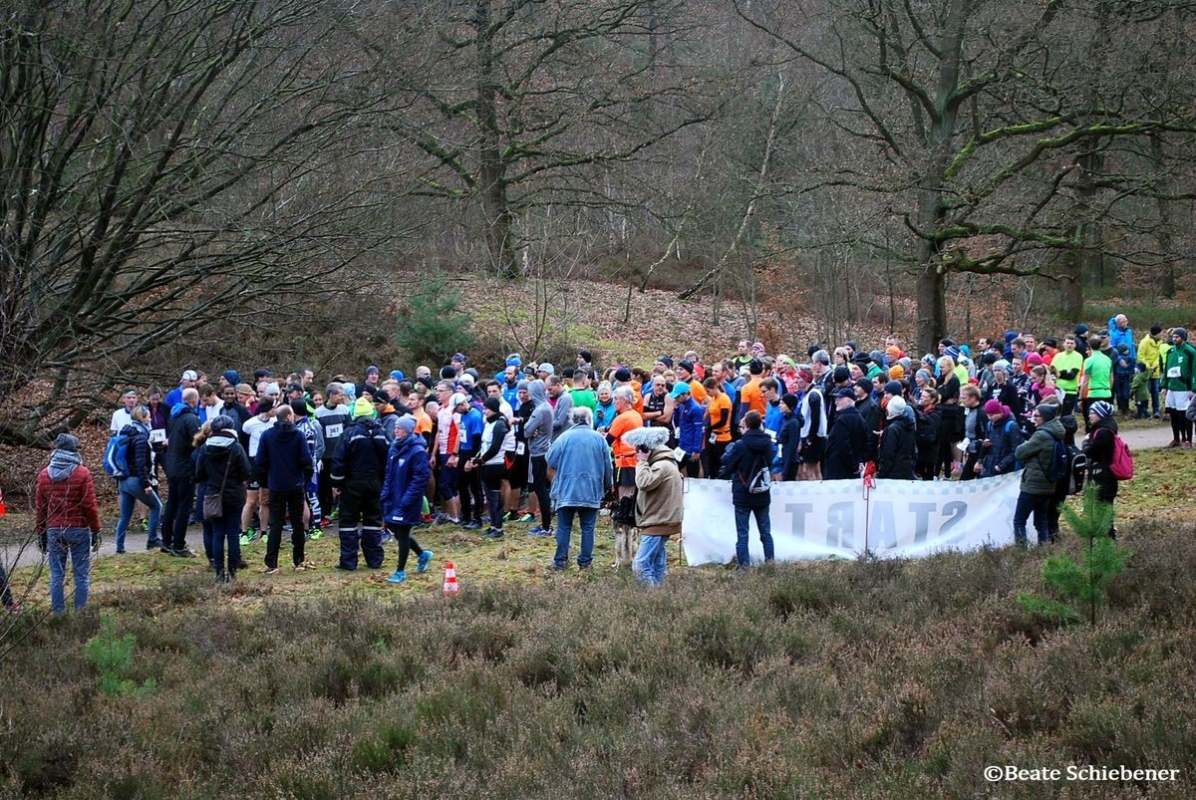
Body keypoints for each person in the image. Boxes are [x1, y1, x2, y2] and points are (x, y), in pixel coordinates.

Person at [35, 434, 102, 614]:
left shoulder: (44, 475)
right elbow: (89, 505)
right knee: (81, 575)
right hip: (79, 529)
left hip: (54, 530)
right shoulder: (82, 473)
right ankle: (80, 615)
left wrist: (41, 533)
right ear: (74, 450)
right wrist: (96, 529)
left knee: (57, 574)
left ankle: (59, 615)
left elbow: (41, 508)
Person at [545, 406, 613, 571]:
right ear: (589, 419)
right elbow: (608, 466)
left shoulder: (564, 437)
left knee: (564, 526)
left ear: (572, 420)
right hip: (590, 489)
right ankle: (585, 562)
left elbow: (550, 460)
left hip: (567, 489)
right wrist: (607, 486)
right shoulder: (599, 438)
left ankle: (560, 561)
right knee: (588, 528)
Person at [330, 397, 391, 570]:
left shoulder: (350, 433)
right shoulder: (381, 432)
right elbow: (389, 458)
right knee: (373, 519)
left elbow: (339, 460)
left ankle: (348, 562)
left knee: (348, 521)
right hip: (375, 483)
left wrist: (337, 483)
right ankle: (374, 559)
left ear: (354, 414)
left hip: (353, 483)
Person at [255, 404, 313, 573]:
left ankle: (272, 563)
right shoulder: (298, 435)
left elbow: (260, 461)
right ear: (289, 417)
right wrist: (304, 479)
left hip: (276, 485)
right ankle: (299, 561)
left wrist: (265, 482)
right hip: (295, 484)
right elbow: (307, 460)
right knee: (298, 524)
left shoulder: (267, 435)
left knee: (276, 525)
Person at [195, 415, 252, 582]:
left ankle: (219, 574)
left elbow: (199, 474)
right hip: (234, 494)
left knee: (218, 534)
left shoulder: (205, 448)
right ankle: (233, 573)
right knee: (233, 533)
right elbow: (246, 471)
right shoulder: (236, 447)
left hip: (213, 495)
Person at [624, 426, 683, 585]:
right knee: (657, 563)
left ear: (646, 449)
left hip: (658, 521)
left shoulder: (660, 466)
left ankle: (650, 598)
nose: (636, 454)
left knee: (641, 565)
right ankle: (660, 595)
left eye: (638, 450)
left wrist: (642, 462)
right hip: (663, 520)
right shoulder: (668, 463)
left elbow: (643, 483)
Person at [719, 410, 776, 568]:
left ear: (746, 426)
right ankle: (770, 563)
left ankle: (744, 566)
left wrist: (729, 451)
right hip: (763, 493)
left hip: (743, 494)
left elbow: (727, 463)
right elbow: (772, 462)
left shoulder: (740, 445)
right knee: (765, 532)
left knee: (743, 534)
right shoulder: (768, 443)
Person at [381, 416, 434, 583]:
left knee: (403, 533)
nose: (396, 430)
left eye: (400, 428)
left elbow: (420, 478)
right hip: (393, 497)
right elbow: (389, 473)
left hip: (407, 500)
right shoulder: (393, 448)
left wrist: (407, 500)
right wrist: (385, 493)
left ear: (409, 430)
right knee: (397, 533)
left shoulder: (417, 451)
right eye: (395, 427)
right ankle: (423, 554)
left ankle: (400, 571)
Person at [1012, 403, 1066, 547]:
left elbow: (1019, 452)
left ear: (1045, 418)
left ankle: (1021, 553)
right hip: (1048, 485)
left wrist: (1025, 443)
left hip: (1033, 485)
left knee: (1019, 521)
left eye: (1037, 416)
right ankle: (1045, 550)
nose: (1033, 418)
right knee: (1041, 522)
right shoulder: (1057, 433)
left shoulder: (1042, 435)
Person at [113, 405, 164, 552]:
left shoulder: (128, 434)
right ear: (142, 418)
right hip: (135, 480)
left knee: (125, 516)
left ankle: (120, 548)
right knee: (156, 506)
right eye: (148, 416)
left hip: (123, 481)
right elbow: (140, 463)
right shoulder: (141, 438)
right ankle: (152, 540)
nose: (150, 419)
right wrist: (146, 483)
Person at [161, 387, 202, 557]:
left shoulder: (174, 416)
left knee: (172, 503)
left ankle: (167, 541)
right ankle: (178, 544)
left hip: (172, 465)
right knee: (184, 507)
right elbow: (198, 442)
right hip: (185, 467)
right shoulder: (191, 419)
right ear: (194, 400)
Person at [469, 396, 512, 538]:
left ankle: (498, 528)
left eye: (486, 409)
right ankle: (493, 525)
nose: (484, 411)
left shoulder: (499, 424)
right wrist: (477, 457)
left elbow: (495, 447)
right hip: (486, 465)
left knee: (495, 497)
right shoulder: (489, 423)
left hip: (495, 464)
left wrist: (481, 459)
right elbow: (484, 445)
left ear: (493, 409)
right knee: (489, 495)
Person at [1083, 401, 1120, 539]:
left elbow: (1091, 452)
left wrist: (1086, 442)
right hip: (1105, 475)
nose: (1089, 416)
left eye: (1093, 413)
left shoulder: (1103, 432)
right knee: (1105, 509)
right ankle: (1107, 537)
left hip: (1103, 476)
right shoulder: (1107, 428)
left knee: (1103, 508)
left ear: (1101, 414)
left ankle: (1107, 539)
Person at [824, 387, 868, 480]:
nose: (836, 402)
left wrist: (854, 465)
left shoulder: (842, 420)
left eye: (839, 399)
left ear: (848, 401)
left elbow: (843, 445)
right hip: (851, 469)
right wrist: (858, 462)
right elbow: (864, 445)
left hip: (839, 469)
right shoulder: (861, 419)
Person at [1162, 327, 1196, 448]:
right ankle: (1176, 438)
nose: (1174, 339)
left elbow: (1194, 371)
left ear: (1183, 338)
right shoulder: (1170, 352)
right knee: (1173, 414)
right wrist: (1164, 385)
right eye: (1173, 336)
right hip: (1172, 387)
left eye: (1177, 337)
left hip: (1184, 388)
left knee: (1185, 415)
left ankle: (1188, 439)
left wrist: (1193, 388)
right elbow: (1166, 370)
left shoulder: (1190, 351)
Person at [978, 400, 1022, 478]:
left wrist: (1001, 466)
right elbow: (986, 444)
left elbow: (1016, 450)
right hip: (989, 466)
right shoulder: (989, 424)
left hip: (1004, 470)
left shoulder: (1012, 426)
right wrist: (980, 460)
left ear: (1000, 412)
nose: (989, 418)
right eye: (987, 415)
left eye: (992, 415)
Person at [875, 396, 916, 479]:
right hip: (906, 470)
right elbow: (913, 450)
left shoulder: (893, 429)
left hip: (893, 473)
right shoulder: (909, 426)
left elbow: (888, 454)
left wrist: (881, 473)